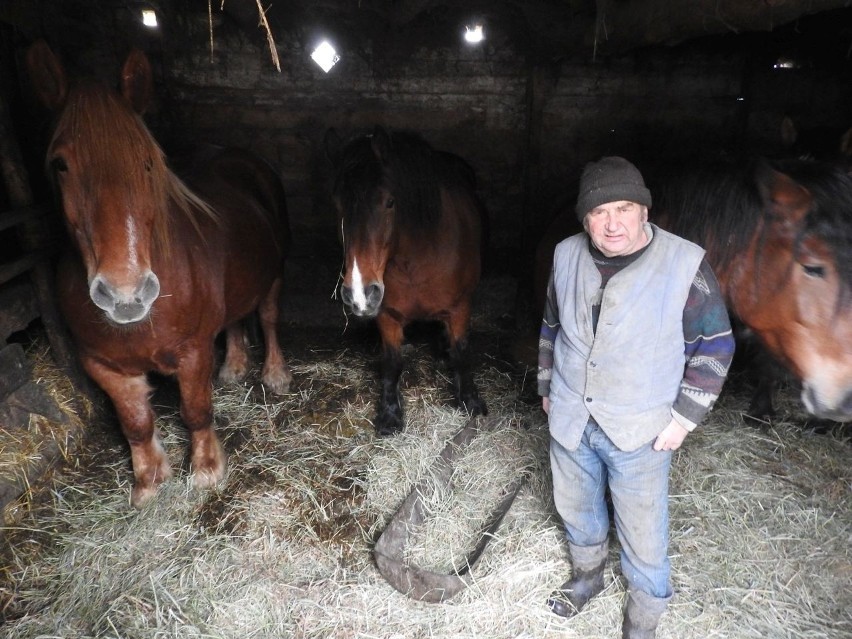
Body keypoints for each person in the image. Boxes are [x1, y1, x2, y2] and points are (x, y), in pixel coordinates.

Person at [538, 156, 735, 638]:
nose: (613, 223)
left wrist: (683, 418)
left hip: (641, 428)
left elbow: (716, 344)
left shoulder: (684, 263)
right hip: (569, 416)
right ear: (585, 218)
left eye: (624, 208)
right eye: (600, 212)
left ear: (645, 211)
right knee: (576, 507)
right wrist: (546, 388)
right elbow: (550, 326)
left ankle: (644, 615)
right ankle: (588, 576)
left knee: (644, 531)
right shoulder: (565, 254)